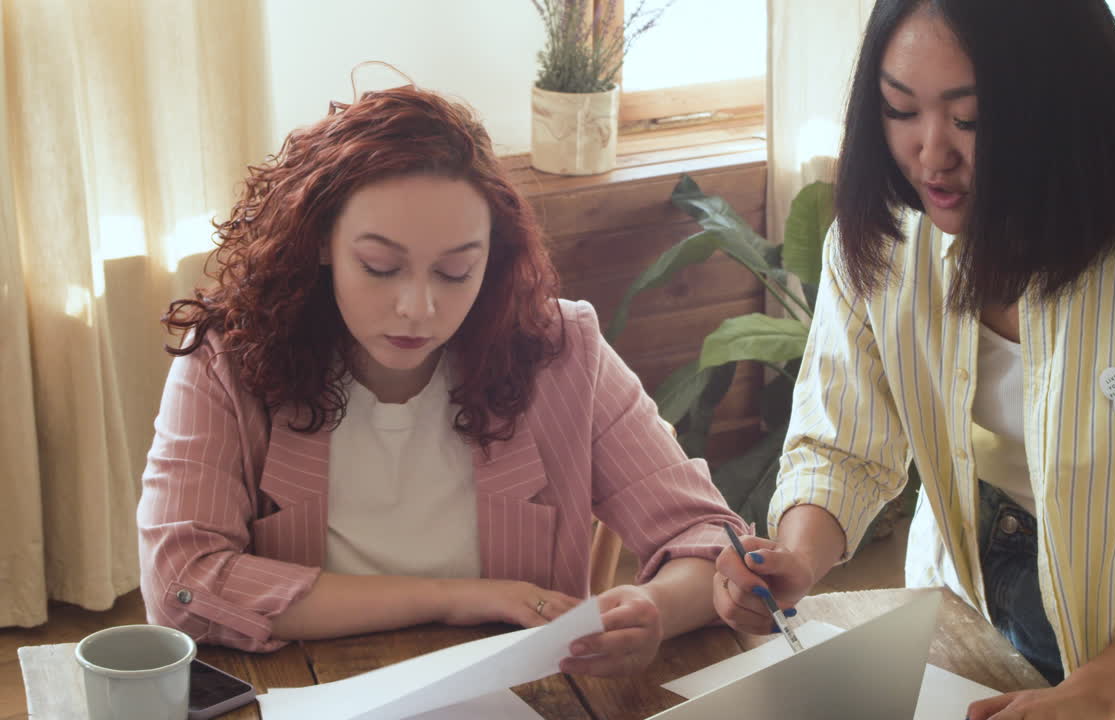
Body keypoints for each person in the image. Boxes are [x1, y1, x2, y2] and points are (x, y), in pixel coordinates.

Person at [714, 0, 1115, 717]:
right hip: (958, 625)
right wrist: (796, 557)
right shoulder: (884, 240)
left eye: (970, 118)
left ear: (1067, 105)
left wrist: (1098, 690)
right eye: (899, 109)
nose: (930, 152)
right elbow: (841, 445)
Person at [136, 84, 748, 678]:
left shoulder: (560, 350)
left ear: (493, 256)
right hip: (309, 687)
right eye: (380, 267)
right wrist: (458, 597)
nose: (418, 308)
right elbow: (182, 584)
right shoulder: (230, 356)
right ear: (322, 241)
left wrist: (655, 611)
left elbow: (710, 543)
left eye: (456, 271)